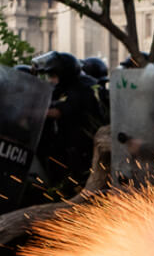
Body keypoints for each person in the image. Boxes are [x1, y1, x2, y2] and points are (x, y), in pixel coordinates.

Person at [31, 50, 102, 198]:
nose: (50, 80)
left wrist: (29, 111)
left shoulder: (82, 88)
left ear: (64, 73)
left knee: (75, 190)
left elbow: (58, 111)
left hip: (83, 149)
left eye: (53, 75)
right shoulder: (64, 88)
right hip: (67, 147)